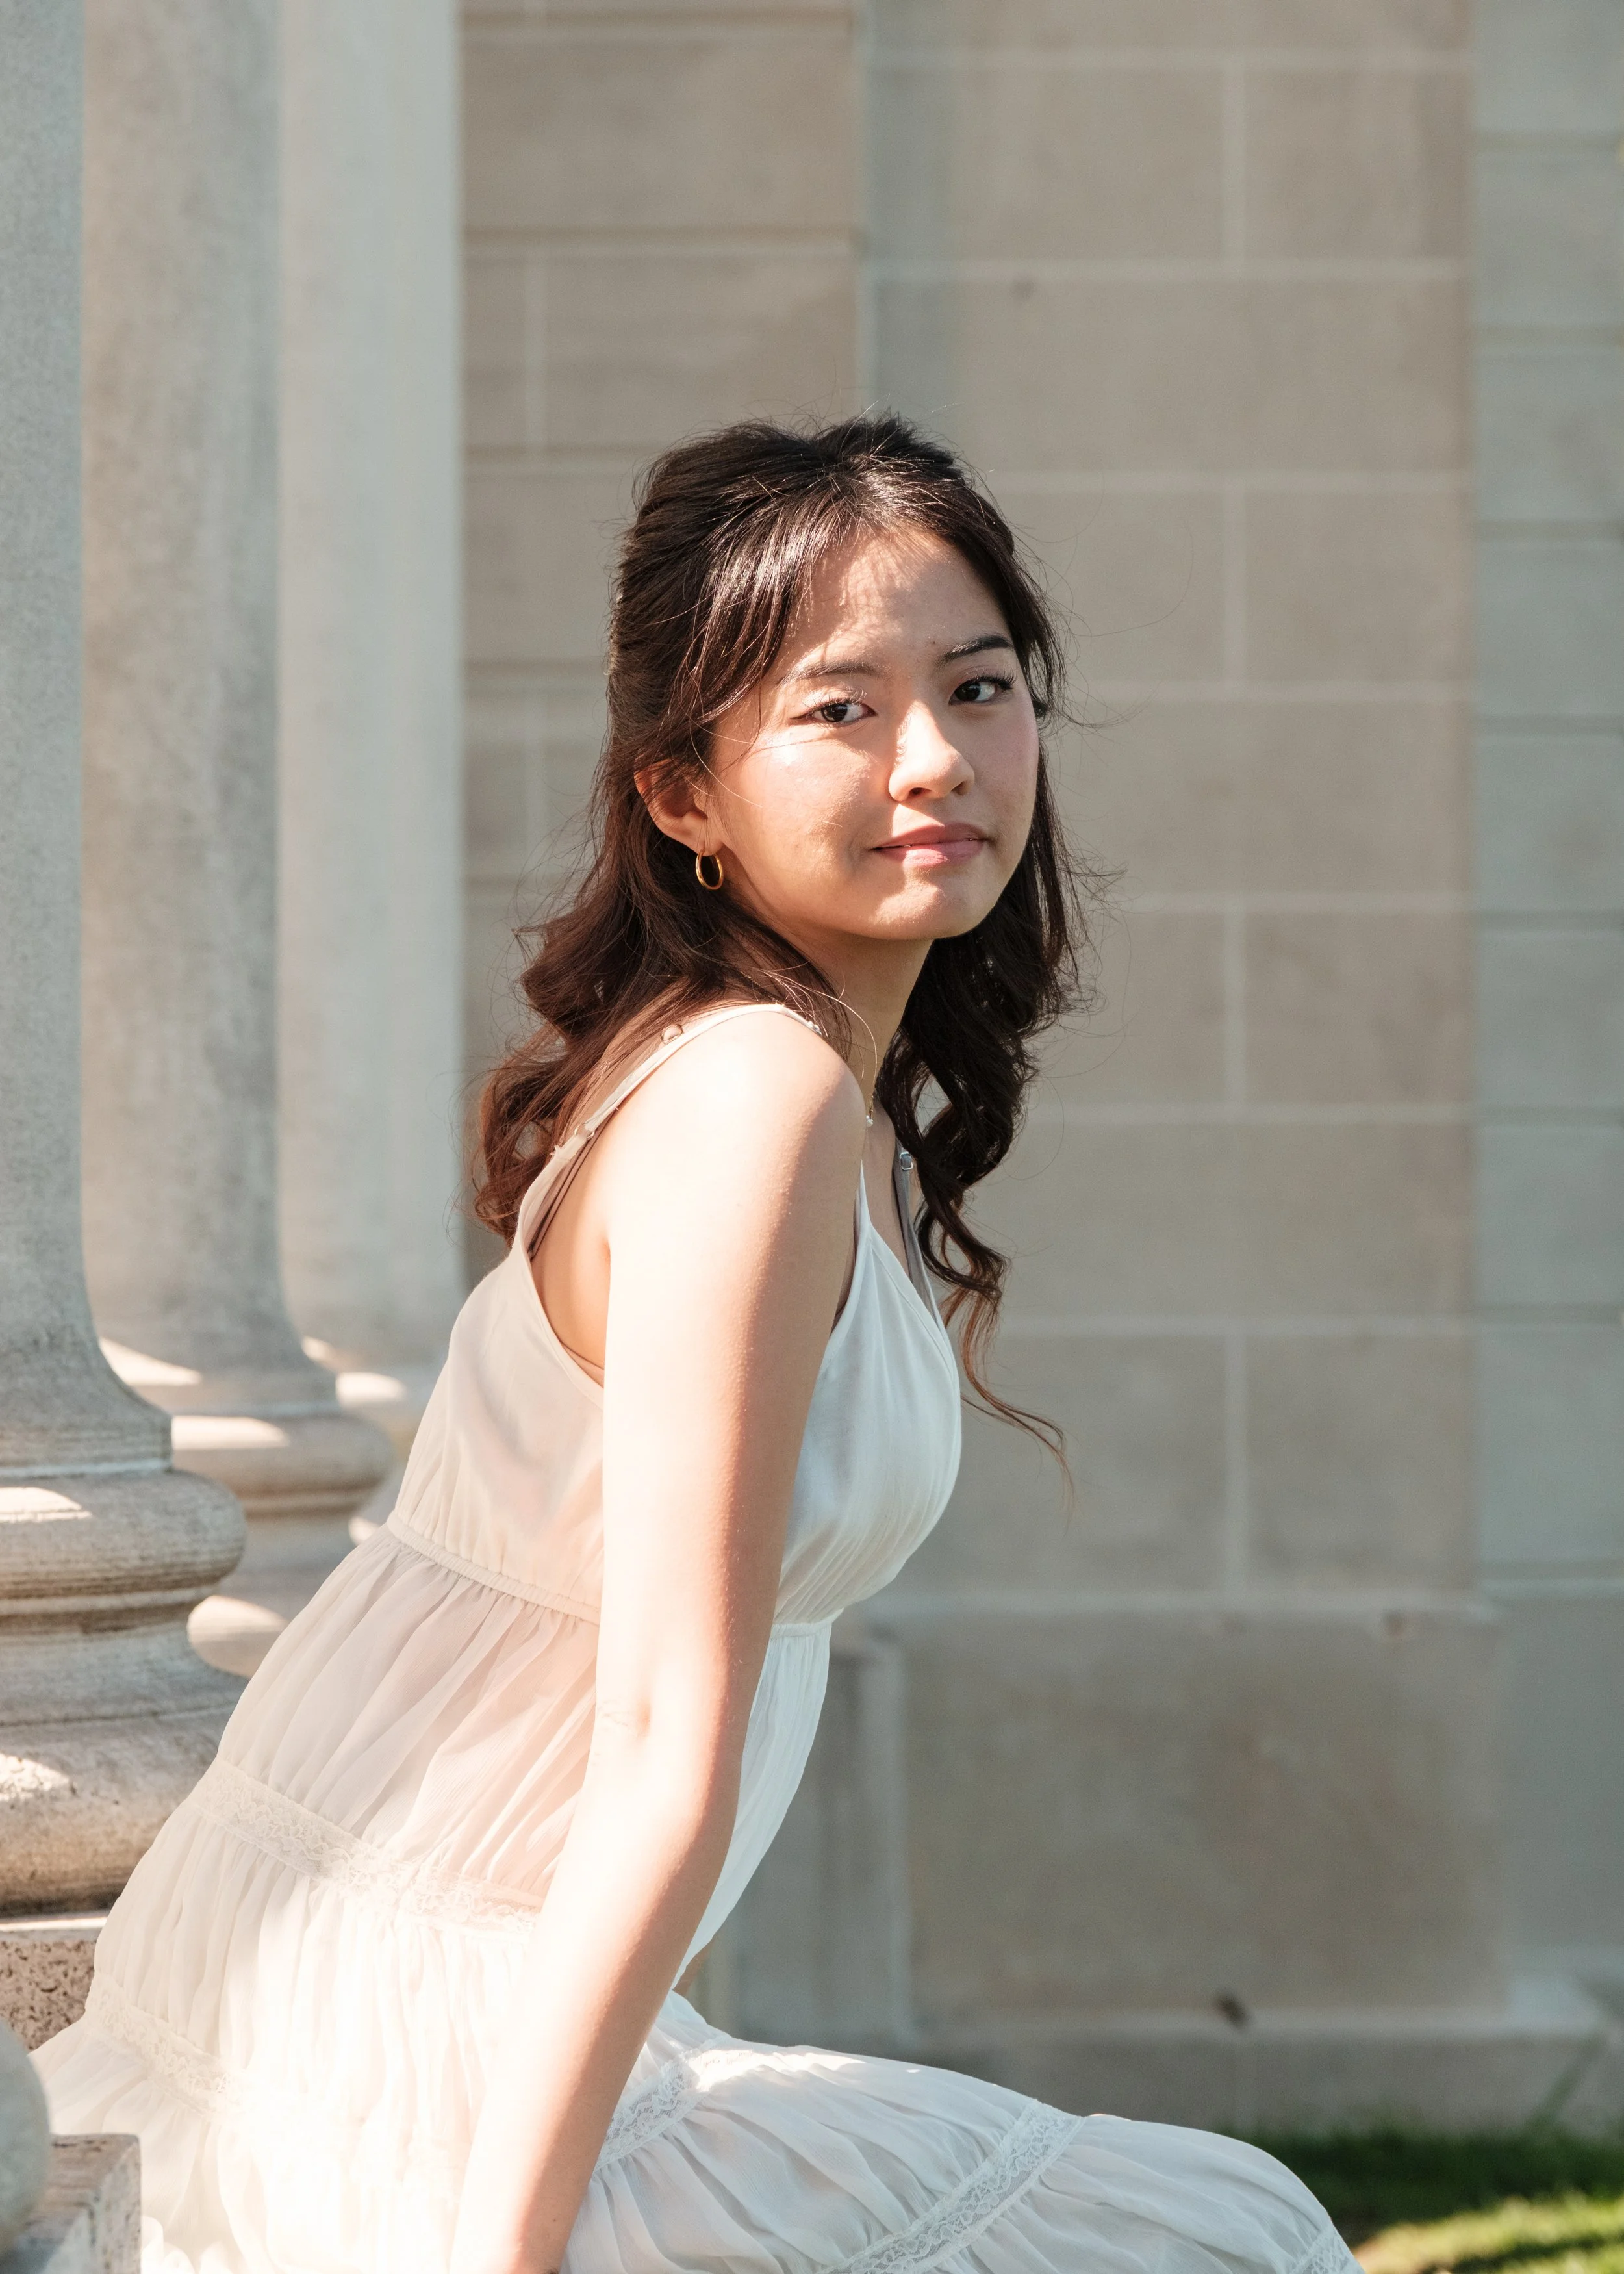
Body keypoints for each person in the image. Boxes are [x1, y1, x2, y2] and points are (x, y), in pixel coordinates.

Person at [38, 415, 1356, 2274]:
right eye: (840, 709)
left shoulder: (787, 1089)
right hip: (406, 2037)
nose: (935, 759)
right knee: (1227, 2241)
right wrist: (509, 2248)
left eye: (979, 687)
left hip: (426, 1983)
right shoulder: (755, 1099)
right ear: (681, 794)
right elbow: (664, 1737)